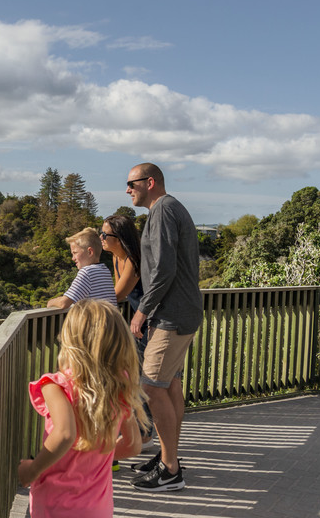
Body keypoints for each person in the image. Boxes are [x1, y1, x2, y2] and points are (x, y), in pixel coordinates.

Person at [17, 300, 149, 517]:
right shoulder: (118, 386)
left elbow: (65, 434)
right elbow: (133, 445)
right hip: (98, 508)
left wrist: (32, 469)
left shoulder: (56, 385)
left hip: (55, 505)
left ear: (71, 339)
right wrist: (95, 456)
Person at [124, 162, 203, 492]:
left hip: (171, 315)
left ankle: (170, 470)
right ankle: (168, 457)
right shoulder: (168, 210)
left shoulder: (163, 210)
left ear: (150, 182)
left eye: (132, 183)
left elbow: (164, 269)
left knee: (152, 387)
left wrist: (142, 311)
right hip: (180, 312)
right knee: (169, 386)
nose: (127, 189)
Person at [102, 214, 155, 443]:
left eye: (105, 234)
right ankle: (139, 431)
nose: (101, 238)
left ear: (119, 238)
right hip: (137, 321)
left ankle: (145, 434)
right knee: (132, 376)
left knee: (143, 378)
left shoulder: (134, 260)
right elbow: (116, 295)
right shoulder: (117, 258)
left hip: (150, 322)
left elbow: (117, 294)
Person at [47, 228, 116, 309]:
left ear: (90, 252)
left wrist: (50, 302)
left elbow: (64, 303)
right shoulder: (105, 270)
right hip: (111, 317)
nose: (73, 258)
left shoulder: (87, 272)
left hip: (97, 317)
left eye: (75, 253)